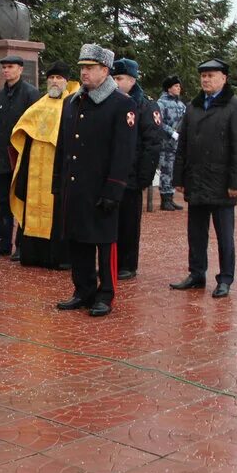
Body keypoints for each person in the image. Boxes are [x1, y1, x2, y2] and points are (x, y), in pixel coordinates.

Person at [53, 44, 136, 317]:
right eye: (82, 68)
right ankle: (83, 290)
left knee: (104, 242)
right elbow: (64, 146)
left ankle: (106, 293)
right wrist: (58, 183)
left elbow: (123, 153)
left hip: (101, 187)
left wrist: (114, 189)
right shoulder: (72, 101)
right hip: (75, 186)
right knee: (78, 240)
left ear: (105, 70)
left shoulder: (122, 104)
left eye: (89, 68)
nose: (84, 73)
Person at [170, 58, 237, 299]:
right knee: (195, 232)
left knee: (224, 234)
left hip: (221, 182)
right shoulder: (193, 107)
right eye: (203, 75)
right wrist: (179, 176)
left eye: (211, 75)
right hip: (196, 180)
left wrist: (236, 183)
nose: (206, 79)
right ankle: (196, 274)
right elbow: (182, 144)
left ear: (224, 78)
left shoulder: (236, 107)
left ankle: (225, 278)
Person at [10, 61, 75, 269]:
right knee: (33, 207)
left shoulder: (72, 104)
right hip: (35, 168)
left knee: (57, 212)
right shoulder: (39, 104)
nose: (55, 82)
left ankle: (57, 258)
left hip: (58, 169)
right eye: (52, 78)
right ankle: (32, 255)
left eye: (59, 78)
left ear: (66, 81)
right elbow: (24, 130)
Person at [0, 54, 40, 258]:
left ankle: (21, 244)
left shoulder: (31, 94)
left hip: (21, 158)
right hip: (1, 157)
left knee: (22, 201)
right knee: (5, 202)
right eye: (4, 67)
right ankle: (4, 242)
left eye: (10, 67)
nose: (6, 70)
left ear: (20, 69)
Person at [111, 58, 162, 280]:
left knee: (129, 223)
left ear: (132, 80)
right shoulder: (109, 101)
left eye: (119, 78)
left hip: (132, 175)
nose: (115, 82)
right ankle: (111, 261)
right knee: (110, 221)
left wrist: (144, 177)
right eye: (113, 78)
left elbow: (152, 143)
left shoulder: (146, 105)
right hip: (111, 173)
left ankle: (128, 264)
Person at [157, 75, 186, 210]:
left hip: (177, 143)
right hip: (166, 142)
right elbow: (158, 122)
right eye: (176, 86)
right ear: (169, 88)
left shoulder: (181, 105)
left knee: (174, 169)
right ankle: (165, 198)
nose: (178, 88)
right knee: (166, 169)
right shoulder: (161, 103)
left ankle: (171, 197)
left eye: (179, 86)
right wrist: (171, 132)